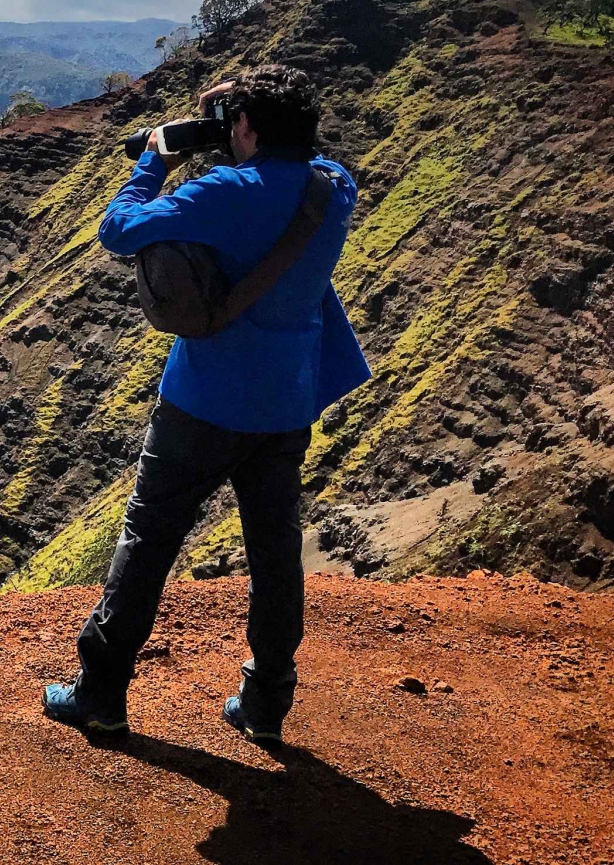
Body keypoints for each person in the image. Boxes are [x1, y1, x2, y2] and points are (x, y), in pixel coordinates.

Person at [42, 64, 370, 744]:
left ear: (244, 127)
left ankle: (100, 694)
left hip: (202, 401)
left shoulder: (226, 191)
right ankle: (265, 704)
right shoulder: (333, 189)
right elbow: (309, 165)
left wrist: (158, 157)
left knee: (150, 536)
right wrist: (242, 127)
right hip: (286, 404)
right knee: (274, 551)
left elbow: (119, 227)